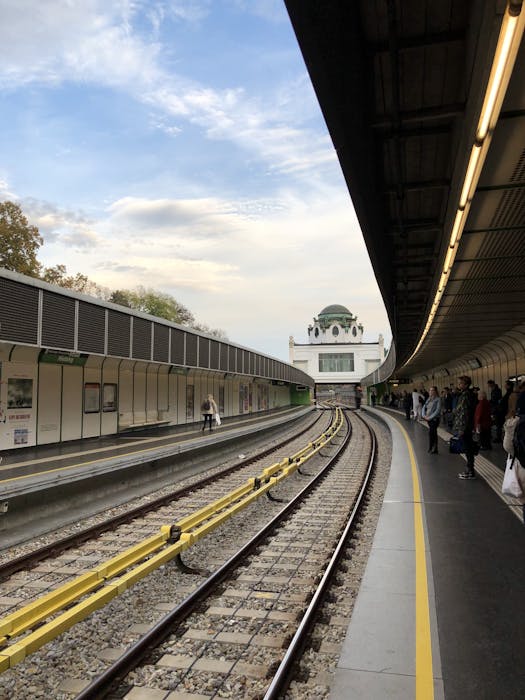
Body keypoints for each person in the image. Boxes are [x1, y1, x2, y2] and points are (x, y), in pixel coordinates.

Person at [453, 375, 478, 479]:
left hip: (465, 427)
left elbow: (464, 413)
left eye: (461, 383)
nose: (459, 385)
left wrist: (462, 429)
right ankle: (470, 469)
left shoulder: (465, 396)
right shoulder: (467, 394)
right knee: (468, 448)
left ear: (466, 384)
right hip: (468, 426)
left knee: (468, 449)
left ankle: (470, 471)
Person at [422, 386, 441, 453]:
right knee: (433, 433)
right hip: (429, 420)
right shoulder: (429, 399)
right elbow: (424, 407)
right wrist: (423, 415)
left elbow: (437, 411)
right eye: (430, 390)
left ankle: (431, 447)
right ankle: (434, 448)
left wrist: (429, 417)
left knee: (431, 433)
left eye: (432, 390)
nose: (431, 391)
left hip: (435, 419)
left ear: (435, 391)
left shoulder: (438, 399)